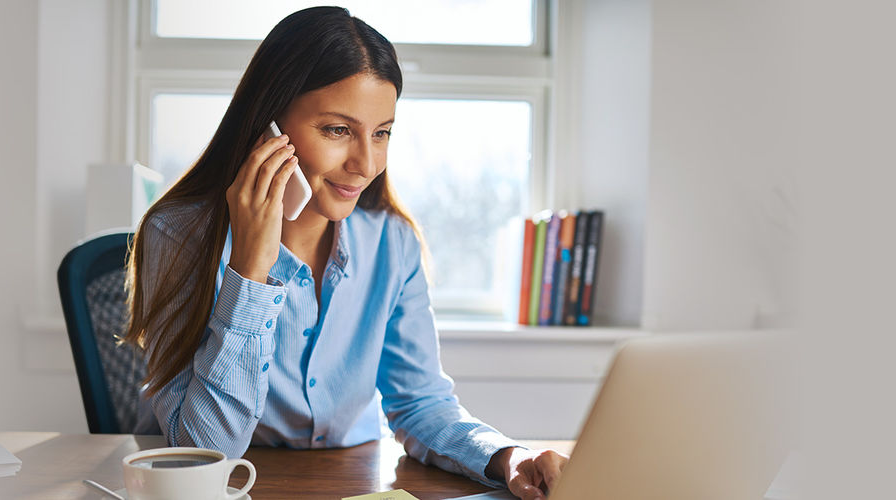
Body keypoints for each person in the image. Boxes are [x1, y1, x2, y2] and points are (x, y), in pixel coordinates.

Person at [123, 6, 568, 499]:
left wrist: (508, 456)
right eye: (337, 130)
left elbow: (421, 403)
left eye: (381, 133)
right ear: (267, 124)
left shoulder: (391, 240)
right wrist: (249, 269)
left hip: (358, 488)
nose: (366, 163)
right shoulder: (179, 235)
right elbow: (205, 453)